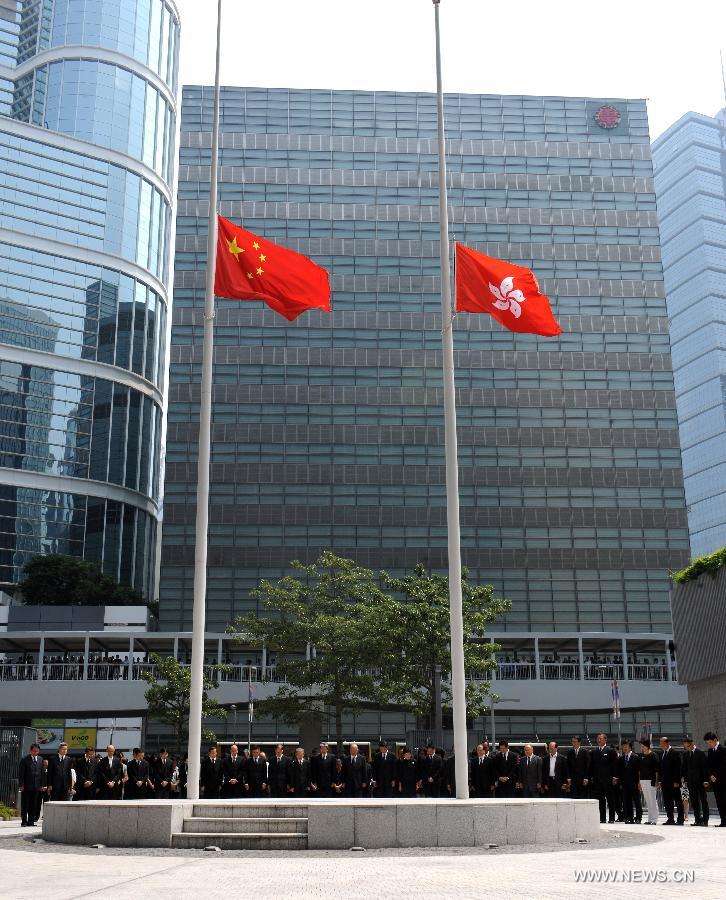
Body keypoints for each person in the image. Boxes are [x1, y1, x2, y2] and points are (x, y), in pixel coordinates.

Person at [590, 734, 618, 823]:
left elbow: (615, 765)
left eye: (600, 739)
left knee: (610, 799)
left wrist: (614, 777)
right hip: (598, 780)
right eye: (597, 738)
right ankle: (602, 818)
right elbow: (592, 766)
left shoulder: (610, 751)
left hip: (608, 779)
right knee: (600, 800)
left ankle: (612, 818)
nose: (598, 740)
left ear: (605, 740)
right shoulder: (594, 752)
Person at [682, 736, 709, 826]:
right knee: (694, 801)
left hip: (701, 781)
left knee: (703, 800)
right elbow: (685, 768)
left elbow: (705, 768)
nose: (687, 748)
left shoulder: (700, 753)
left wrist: (706, 780)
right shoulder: (686, 754)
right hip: (690, 782)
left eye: (688, 746)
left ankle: (705, 820)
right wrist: (685, 780)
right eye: (686, 747)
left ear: (692, 744)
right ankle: (697, 820)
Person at [658, 736, 684, 825]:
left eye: (662, 743)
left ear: (667, 743)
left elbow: (678, 768)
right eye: (660, 743)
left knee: (677, 800)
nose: (660, 745)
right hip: (665, 782)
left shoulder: (675, 753)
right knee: (667, 801)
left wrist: (677, 781)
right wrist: (660, 781)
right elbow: (661, 768)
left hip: (674, 782)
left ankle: (680, 819)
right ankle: (670, 819)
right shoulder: (662, 753)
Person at [704, 731, 726, 827]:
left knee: (725, 800)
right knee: (719, 801)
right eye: (707, 743)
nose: (709, 744)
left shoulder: (723, 750)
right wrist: (710, 775)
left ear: (715, 740)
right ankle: (723, 821)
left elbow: (724, 766)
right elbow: (708, 766)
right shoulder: (710, 751)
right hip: (715, 781)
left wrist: (717, 776)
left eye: (710, 742)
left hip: (724, 780)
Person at [617, 741, 642, 823]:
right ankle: (629, 817)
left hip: (634, 783)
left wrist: (639, 782)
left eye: (626, 746)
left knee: (637, 801)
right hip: (625, 784)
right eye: (623, 746)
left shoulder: (636, 757)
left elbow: (639, 771)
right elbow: (620, 772)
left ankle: (638, 818)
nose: (624, 748)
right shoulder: (621, 758)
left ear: (630, 747)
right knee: (626, 802)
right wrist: (620, 783)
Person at [18, 742, 42, 826]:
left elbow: (41, 773)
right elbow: (21, 774)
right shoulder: (24, 759)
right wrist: (21, 785)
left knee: (33, 804)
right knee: (25, 804)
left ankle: (31, 821)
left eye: (37, 751)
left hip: (36, 786)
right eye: (34, 751)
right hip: (26, 786)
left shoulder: (40, 759)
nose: (36, 753)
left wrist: (41, 785)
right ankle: (24, 821)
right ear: (30, 751)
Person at [638, 739, 659, 824]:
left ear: (647, 746)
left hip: (651, 780)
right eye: (641, 746)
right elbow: (639, 770)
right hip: (643, 780)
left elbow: (657, 770)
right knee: (647, 800)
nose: (641, 748)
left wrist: (657, 781)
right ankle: (650, 819)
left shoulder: (653, 755)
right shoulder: (641, 756)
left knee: (652, 799)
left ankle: (654, 819)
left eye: (643, 746)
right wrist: (639, 781)